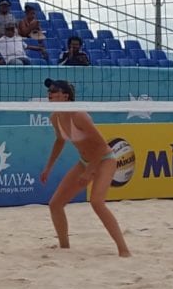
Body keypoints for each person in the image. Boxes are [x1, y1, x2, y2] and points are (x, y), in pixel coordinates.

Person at [40, 78, 131, 257]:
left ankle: (124, 250)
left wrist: (90, 172)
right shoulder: (55, 117)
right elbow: (60, 141)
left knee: (97, 202)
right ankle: (64, 248)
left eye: (54, 91)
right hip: (85, 161)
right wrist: (48, 167)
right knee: (55, 204)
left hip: (105, 159)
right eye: (49, 91)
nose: (49, 94)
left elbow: (102, 146)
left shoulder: (79, 115)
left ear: (66, 96)